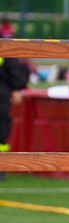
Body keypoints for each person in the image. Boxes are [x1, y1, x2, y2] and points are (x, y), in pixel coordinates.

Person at [0, 54, 29, 182]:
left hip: (1, 92)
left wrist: (17, 88)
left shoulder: (4, 44)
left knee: (1, 131)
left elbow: (13, 66)